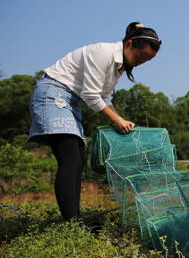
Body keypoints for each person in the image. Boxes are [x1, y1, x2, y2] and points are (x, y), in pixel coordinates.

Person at [28, 22, 162, 225]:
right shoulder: (103, 53)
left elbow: (105, 97)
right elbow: (91, 96)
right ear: (129, 44)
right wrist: (117, 120)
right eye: (140, 57)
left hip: (70, 100)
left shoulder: (118, 67)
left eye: (146, 60)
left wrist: (120, 121)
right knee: (70, 159)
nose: (140, 62)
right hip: (53, 93)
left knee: (78, 159)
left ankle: (76, 220)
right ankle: (72, 224)